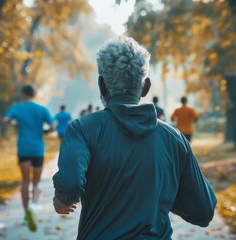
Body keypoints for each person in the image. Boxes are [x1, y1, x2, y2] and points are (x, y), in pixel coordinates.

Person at [52, 36, 216, 239]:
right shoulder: (174, 139)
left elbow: (70, 183)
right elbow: (203, 211)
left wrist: (62, 199)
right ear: (145, 87)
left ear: (102, 85)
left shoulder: (82, 130)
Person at [3, 85, 54, 232]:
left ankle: (26, 214)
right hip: (38, 149)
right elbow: (52, 127)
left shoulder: (17, 108)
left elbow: (6, 119)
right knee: (36, 183)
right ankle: (33, 207)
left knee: (25, 181)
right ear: (34, 94)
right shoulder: (42, 109)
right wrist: (43, 131)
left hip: (24, 149)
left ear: (24, 94)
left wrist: (15, 123)